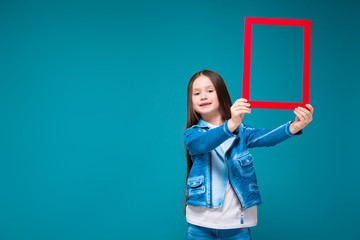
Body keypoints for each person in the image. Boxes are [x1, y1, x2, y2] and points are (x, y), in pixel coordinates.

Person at [182, 70, 314, 240]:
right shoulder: (192, 134)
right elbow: (203, 143)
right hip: (200, 225)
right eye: (197, 93)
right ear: (191, 102)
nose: (203, 96)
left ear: (221, 94)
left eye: (210, 90)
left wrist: (294, 127)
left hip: (237, 225)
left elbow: (266, 137)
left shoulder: (240, 131)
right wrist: (231, 124)